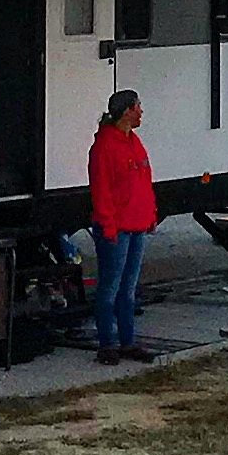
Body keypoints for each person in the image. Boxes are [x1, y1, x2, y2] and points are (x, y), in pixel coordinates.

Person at [87, 87, 159, 361]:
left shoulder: (134, 142)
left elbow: (144, 180)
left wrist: (150, 213)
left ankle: (127, 341)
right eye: (138, 107)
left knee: (128, 288)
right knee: (110, 287)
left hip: (136, 225)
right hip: (116, 228)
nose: (141, 111)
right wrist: (108, 226)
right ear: (127, 111)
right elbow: (101, 191)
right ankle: (107, 343)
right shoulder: (104, 147)